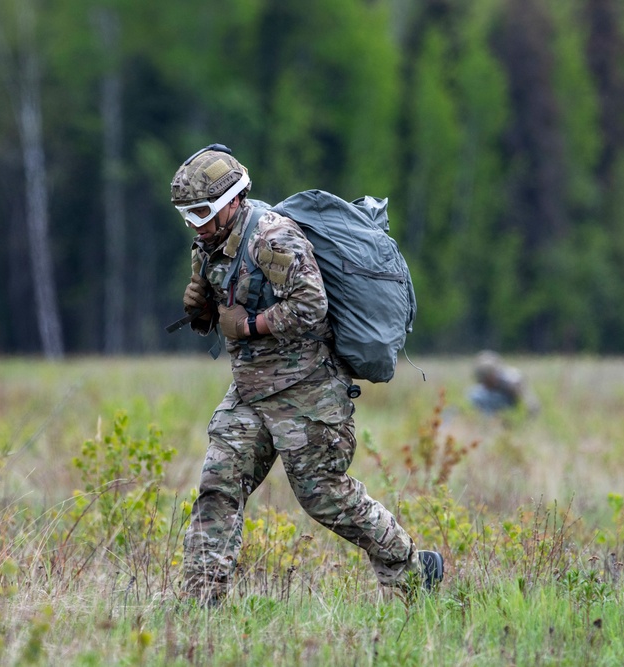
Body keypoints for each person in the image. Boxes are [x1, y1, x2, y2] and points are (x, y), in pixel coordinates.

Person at [171, 144, 443, 605]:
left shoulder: (273, 239)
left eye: (201, 211)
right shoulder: (211, 243)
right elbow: (227, 311)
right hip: (250, 391)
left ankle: (412, 568)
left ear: (232, 201)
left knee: (325, 498)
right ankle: (199, 607)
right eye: (187, 214)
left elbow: (311, 306)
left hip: (307, 392)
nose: (195, 222)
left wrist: (250, 325)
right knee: (217, 489)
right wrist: (202, 311)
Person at [468, 350, 540, 417]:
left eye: (486, 379)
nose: (484, 383)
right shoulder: (482, 388)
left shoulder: (512, 379)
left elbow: (529, 401)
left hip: (509, 404)